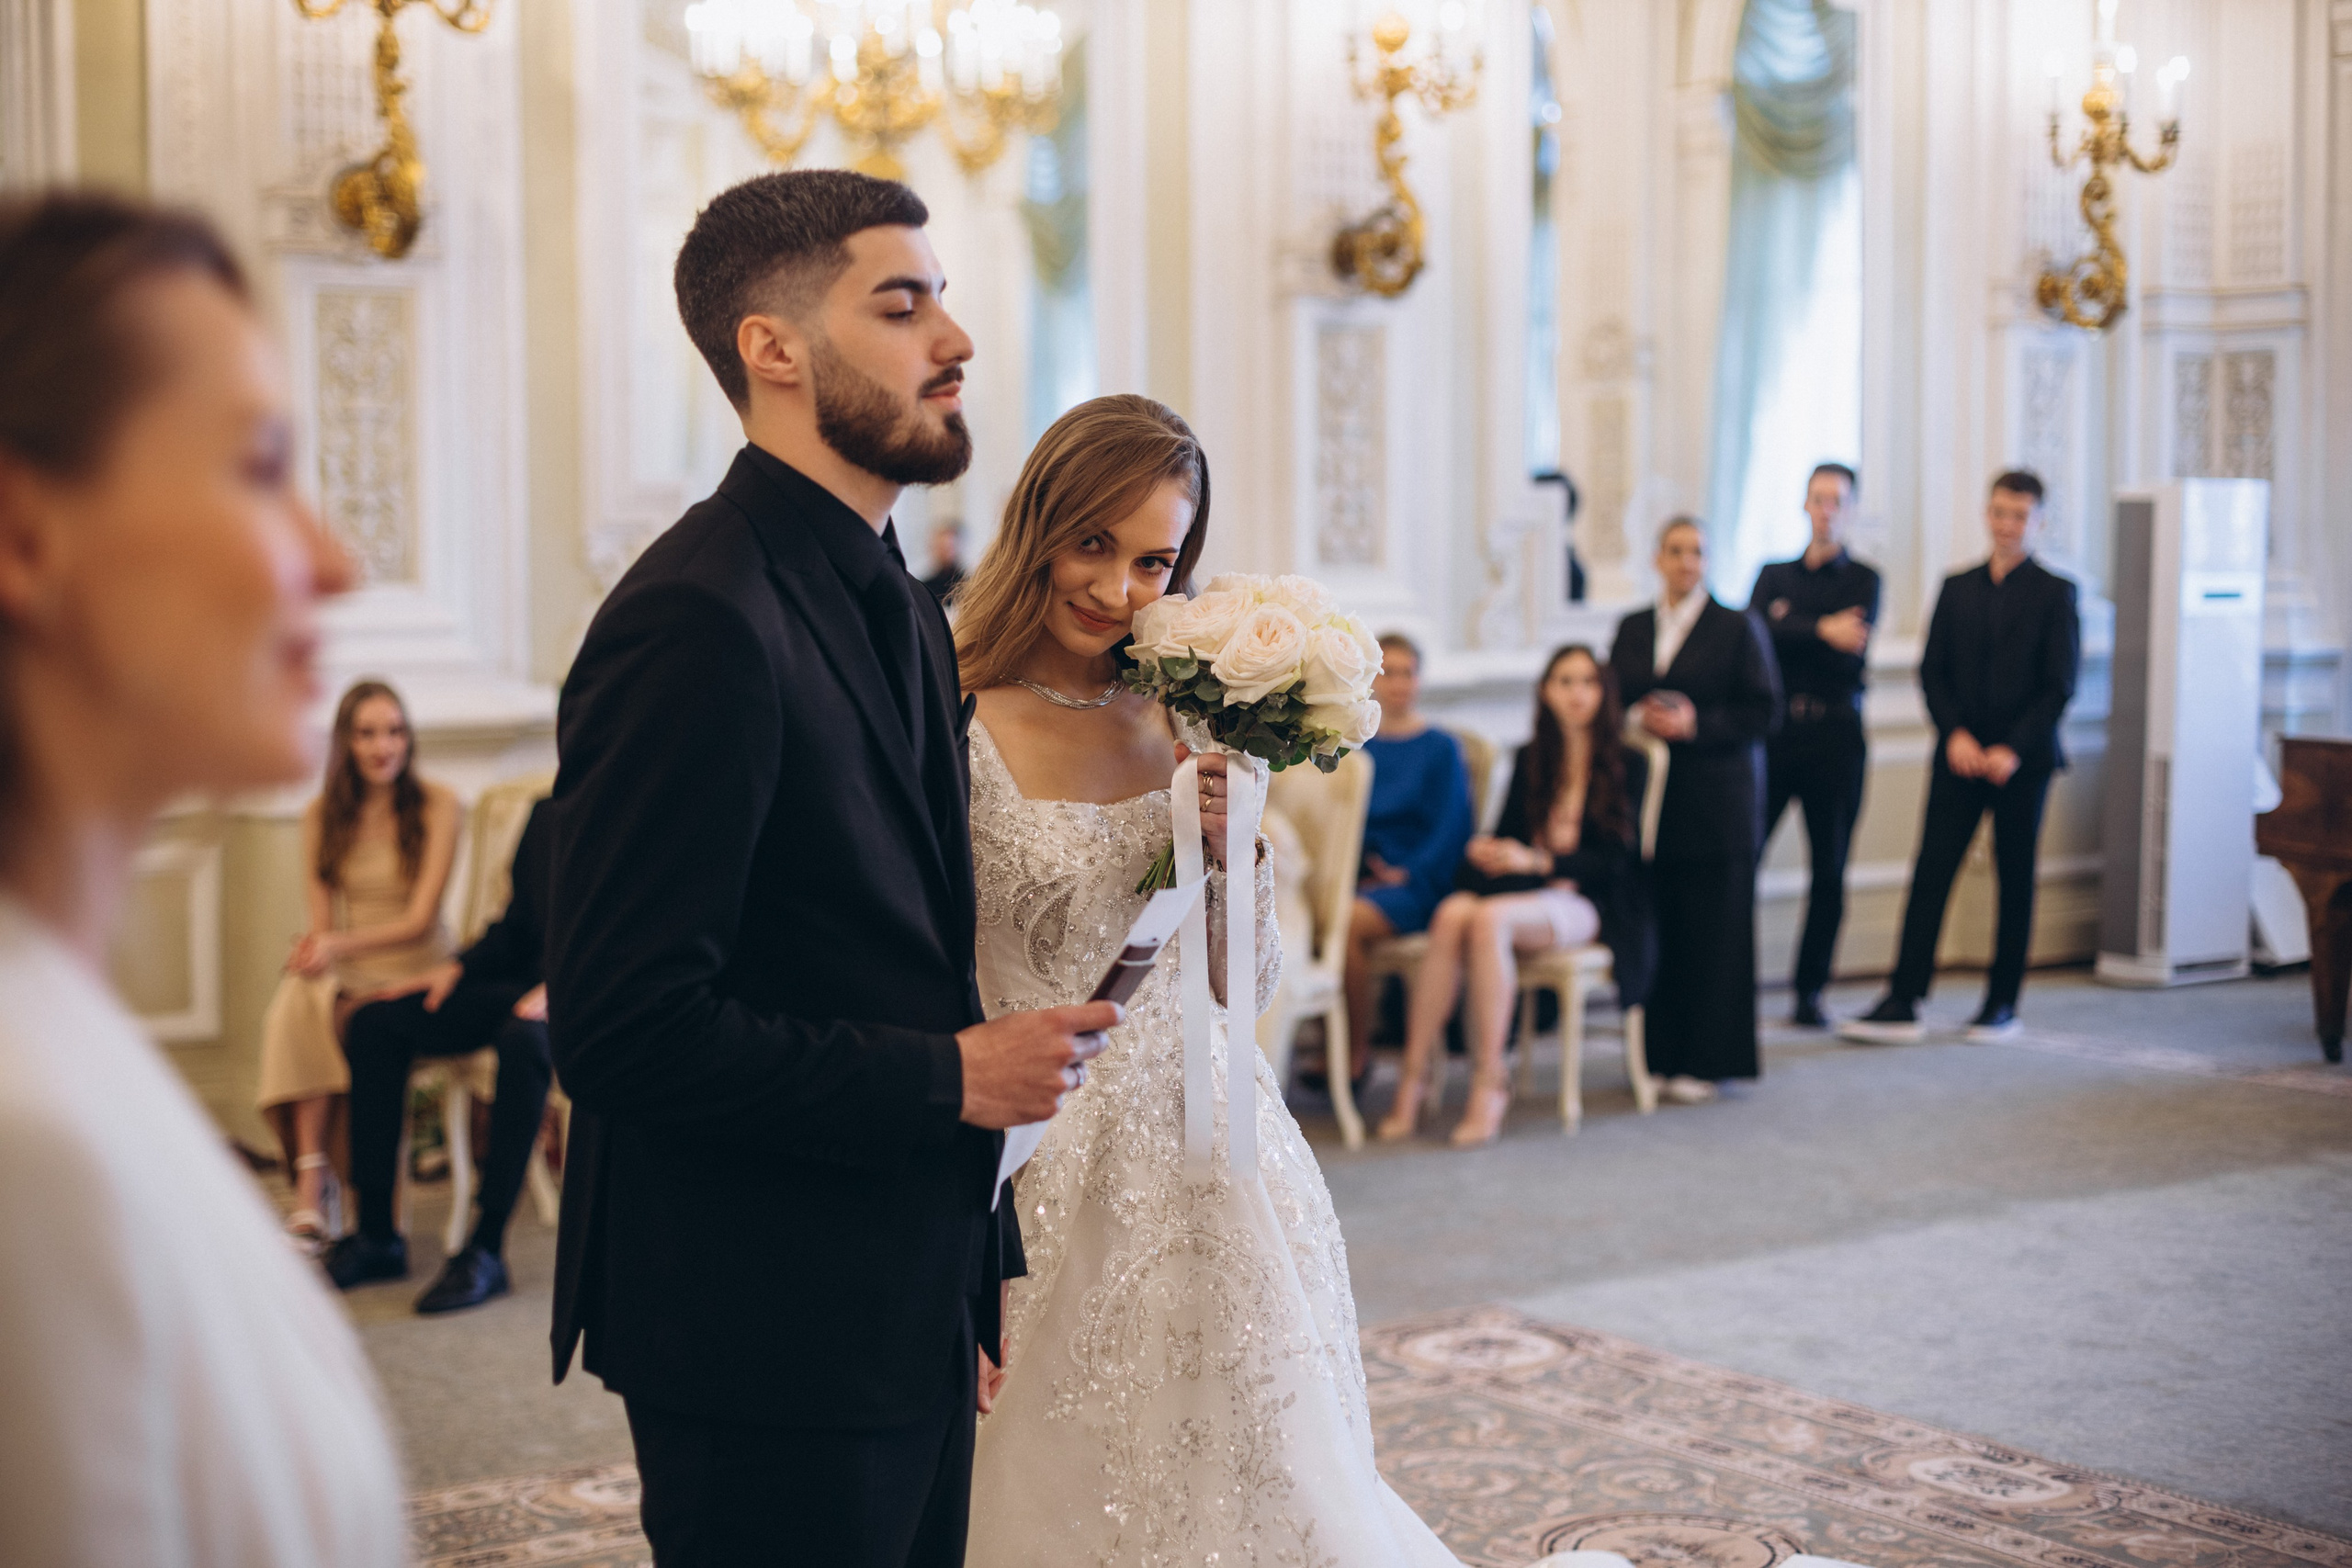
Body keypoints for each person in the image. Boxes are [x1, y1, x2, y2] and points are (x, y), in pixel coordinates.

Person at [547, 170, 1116, 1568]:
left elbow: (902, 955)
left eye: (944, 300)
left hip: (900, 1289)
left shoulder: (905, 605)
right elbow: (622, 1029)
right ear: (774, 348)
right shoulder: (694, 617)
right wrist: (952, 1080)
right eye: (902, 305)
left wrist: (965, 1274)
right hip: (756, 1316)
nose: (956, 340)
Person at [958, 394, 1464, 1566]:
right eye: (1092, 543)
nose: (1117, 588)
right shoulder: (954, 714)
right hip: (1032, 1146)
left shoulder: (1191, 717)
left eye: (1153, 560)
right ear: (1038, 525)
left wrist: (1239, 850)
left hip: (1215, 1142)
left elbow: (1246, 984)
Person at [0, 190, 402, 1564]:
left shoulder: (65, 1033)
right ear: (25, 535)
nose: (335, 559)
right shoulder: (30, 1150)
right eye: (260, 466)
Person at [1377, 645, 1652, 1147]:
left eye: (1589, 682)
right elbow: (1510, 833)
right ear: (1546, 691)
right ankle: (1414, 1075)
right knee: (1452, 912)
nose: (1577, 694)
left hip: (1592, 902)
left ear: (1604, 692)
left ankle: (1490, 1080)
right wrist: (1492, 850)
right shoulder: (1533, 757)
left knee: (1490, 920)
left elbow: (1616, 860)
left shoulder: (1627, 762)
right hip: (1531, 895)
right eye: (1565, 682)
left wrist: (1539, 862)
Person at [1842, 471, 2080, 1045]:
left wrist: (2012, 748)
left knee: (2015, 878)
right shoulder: (1957, 586)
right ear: (1986, 514)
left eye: (2019, 516)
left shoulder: (2056, 593)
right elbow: (1933, 670)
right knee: (1931, 872)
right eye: (2000, 512)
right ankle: (1904, 998)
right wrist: (1955, 735)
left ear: (2039, 522)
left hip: (2021, 763)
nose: (2007, 525)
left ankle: (2001, 1003)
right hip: (1960, 754)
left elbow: (2059, 684)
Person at [326, 797, 555, 1314]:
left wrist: (566, 987)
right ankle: (378, 1235)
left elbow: (646, 932)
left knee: (524, 1038)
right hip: (518, 985)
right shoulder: (548, 814)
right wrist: (455, 968)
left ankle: (487, 1246)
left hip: (592, 997)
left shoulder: (635, 809)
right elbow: (517, 926)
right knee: (374, 1023)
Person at [255, 676, 459, 1252]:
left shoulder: (439, 804)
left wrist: (333, 947)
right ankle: (316, 1181)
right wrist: (315, 950)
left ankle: (313, 1186)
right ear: (345, 742)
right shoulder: (321, 815)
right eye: (367, 734)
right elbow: (322, 922)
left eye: (394, 732)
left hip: (418, 962)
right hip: (352, 964)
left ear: (409, 738)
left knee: (313, 1006)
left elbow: (420, 920)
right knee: (299, 996)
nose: (382, 747)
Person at [1611, 517, 1781, 1102]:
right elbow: (1614, 697)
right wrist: (1637, 717)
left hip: (1719, 804)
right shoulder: (1634, 627)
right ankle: (1659, 1055)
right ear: (1657, 559)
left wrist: (1695, 724)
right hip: (1653, 808)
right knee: (1666, 928)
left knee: (1716, 932)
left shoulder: (1737, 626)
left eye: (1698, 552)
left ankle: (1709, 1061)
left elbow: (1765, 711)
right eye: (1676, 551)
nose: (1687, 562)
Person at [1748, 462, 1879, 1027]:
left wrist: (1792, 624)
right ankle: (1730, 981)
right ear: (1804, 504)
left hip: (1836, 737)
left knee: (1829, 870)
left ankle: (1810, 992)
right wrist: (1822, 628)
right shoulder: (1773, 574)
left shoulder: (1864, 580)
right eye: (1818, 499)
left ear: (1851, 510)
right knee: (1744, 856)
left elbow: (1848, 651)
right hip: (1777, 736)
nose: (1826, 510)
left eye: (1837, 501)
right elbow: (1756, 636)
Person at [1340, 632, 1474, 1087]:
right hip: (1361, 876)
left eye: (1408, 673)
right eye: (1389, 673)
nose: (1399, 683)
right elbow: (1346, 823)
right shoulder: (1356, 745)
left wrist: (1406, 872)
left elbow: (1452, 829)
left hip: (1419, 883)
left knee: (1346, 923)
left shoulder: (1441, 747)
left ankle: (1356, 1051)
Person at [922, 516, 967, 602]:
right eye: (941, 548)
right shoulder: (926, 587)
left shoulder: (969, 583)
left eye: (949, 548)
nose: (945, 553)